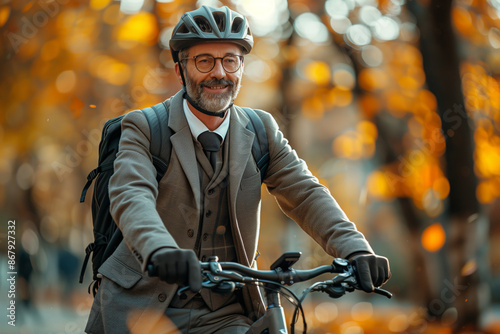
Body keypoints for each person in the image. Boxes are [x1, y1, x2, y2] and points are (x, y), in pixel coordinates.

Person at [85, 5, 390, 334]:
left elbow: (306, 193)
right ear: (180, 70)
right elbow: (131, 195)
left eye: (230, 60)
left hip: (226, 312)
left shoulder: (261, 131)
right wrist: (160, 249)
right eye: (204, 61)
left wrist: (355, 249)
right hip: (143, 310)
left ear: (241, 67)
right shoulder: (145, 127)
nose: (219, 73)